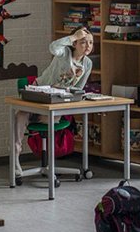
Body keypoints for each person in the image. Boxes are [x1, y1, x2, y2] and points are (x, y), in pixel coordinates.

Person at [12, 28, 95, 177]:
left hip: (58, 100)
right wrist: (73, 36)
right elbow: (53, 47)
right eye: (83, 42)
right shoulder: (64, 54)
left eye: (90, 42)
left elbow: (79, 88)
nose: (88, 46)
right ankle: (15, 156)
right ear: (75, 43)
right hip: (40, 92)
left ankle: (50, 160)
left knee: (50, 118)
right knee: (20, 114)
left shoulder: (87, 63)